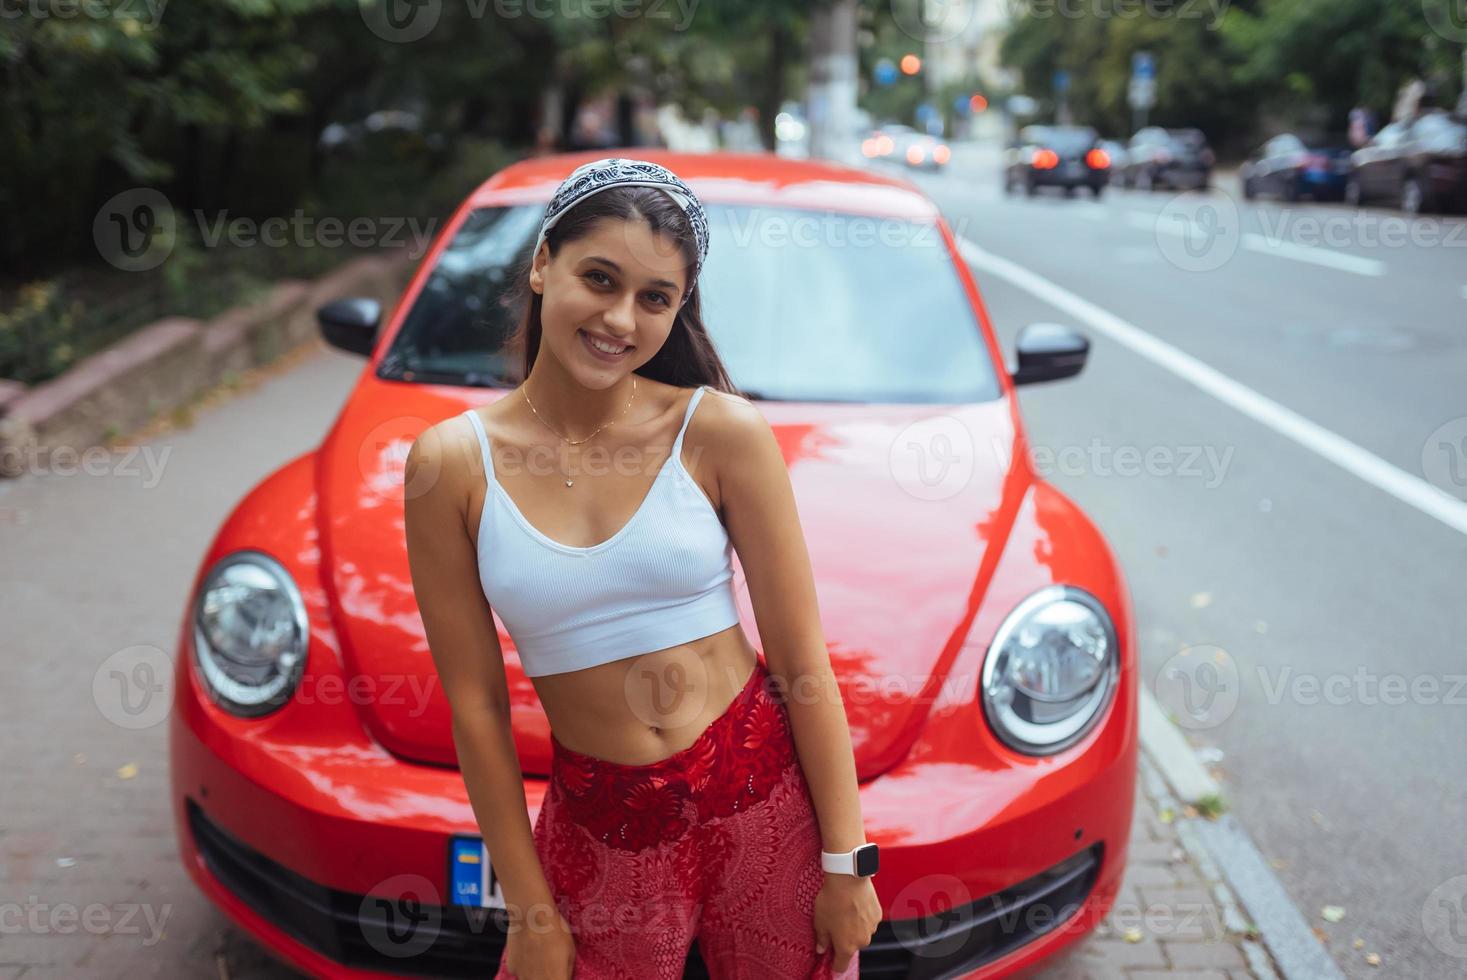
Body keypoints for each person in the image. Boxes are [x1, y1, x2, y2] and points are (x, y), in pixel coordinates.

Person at [404, 157, 881, 980]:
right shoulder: (451, 464)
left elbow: (803, 665)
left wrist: (849, 861)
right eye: (599, 278)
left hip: (761, 796)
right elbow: (476, 706)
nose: (620, 318)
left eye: (655, 298)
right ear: (543, 263)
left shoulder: (719, 432)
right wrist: (530, 912)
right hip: (602, 824)